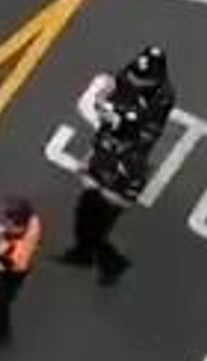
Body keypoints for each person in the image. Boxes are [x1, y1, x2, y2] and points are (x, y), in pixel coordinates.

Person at [60, 106, 151, 285]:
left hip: (108, 205)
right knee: (82, 225)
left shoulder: (134, 165)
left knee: (95, 234)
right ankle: (82, 255)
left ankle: (113, 265)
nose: (111, 141)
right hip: (91, 191)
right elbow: (96, 148)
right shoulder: (107, 134)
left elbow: (126, 202)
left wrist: (98, 188)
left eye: (117, 141)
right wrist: (85, 163)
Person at [0, 197, 42, 346]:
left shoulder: (14, 252)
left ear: (16, 223)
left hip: (7, 274)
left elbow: (1, 264)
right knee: (2, 303)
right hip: (14, 273)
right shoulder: (32, 224)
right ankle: (2, 329)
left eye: (7, 219)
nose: (4, 221)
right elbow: (15, 235)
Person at [96, 45, 175, 154]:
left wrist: (124, 110)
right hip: (126, 107)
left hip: (146, 123)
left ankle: (131, 161)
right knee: (106, 128)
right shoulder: (134, 67)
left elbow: (151, 119)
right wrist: (105, 97)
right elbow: (118, 82)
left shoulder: (164, 94)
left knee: (136, 150)